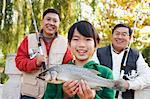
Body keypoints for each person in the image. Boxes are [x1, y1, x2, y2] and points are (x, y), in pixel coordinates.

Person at [44, 20, 115, 99]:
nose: (81, 45)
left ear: (96, 44)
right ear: (69, 44)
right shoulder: (57, 71)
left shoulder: (106, 73)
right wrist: (65, 95)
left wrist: (93, 97)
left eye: (87, 39)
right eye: (76, 39)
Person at [15, 8, 73, 99]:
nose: (51, 23)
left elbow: (69, 66)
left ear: (59, 24)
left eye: (55, 21)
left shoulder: (65, 43)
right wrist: (35, 62)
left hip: (53, 95)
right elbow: (19, 62)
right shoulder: (29, 39)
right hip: (30, 94)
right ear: (42, 21)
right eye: (48, 19)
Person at [92, 23, 150, 99]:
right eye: (117, 34)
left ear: (129, 38)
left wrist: (129, 84)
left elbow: (147, 76)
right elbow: (91, 73)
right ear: (111, 36)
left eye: (124, 34)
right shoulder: (99, 52)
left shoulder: (136, 55)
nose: (120, 37)